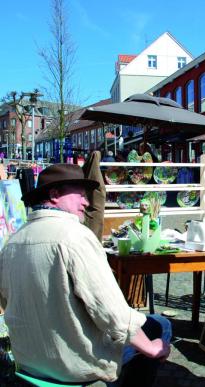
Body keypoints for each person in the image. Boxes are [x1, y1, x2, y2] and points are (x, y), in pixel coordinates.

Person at [0, 164, 171, 385]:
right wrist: (151, 348)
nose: (86, 202)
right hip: (72, 365)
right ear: (54, 195)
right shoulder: (75, 236)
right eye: (80, 195)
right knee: (161, 326)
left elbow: (7, 300)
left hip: (29, 362)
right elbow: (113, 313)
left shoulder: (12, 242)